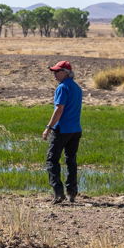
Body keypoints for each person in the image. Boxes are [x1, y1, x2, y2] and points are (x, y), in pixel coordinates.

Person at [41, 60, 83, 204]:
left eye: (57, 71)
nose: (54, 74)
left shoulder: (62, 87)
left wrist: (48, 127)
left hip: (62, 129)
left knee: (52, 160)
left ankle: (58, 193)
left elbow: (59, 109)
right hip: (76, 129)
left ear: (66, 73)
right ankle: (71, 193)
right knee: (70, 161)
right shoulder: (77, 88)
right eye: (53, 71)